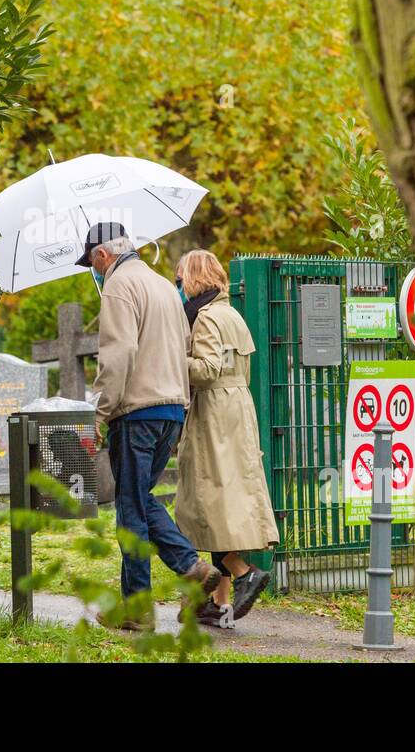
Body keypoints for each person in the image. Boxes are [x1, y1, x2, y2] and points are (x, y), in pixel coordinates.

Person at [79, 221, 221, 630]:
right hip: (171, 410)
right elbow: (183, 350)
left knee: (130, 510)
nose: (93, 269)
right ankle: (188, 568)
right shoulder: (162, 286)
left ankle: (143, 605)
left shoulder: (118, 286)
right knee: (138, 499)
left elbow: (119, 352)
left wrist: (100, 413)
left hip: (136, 411)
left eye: (92, 261)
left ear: (103, 255)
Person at [173, 248, 279, 626]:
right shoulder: (231, 313)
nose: (179, 283)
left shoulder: (203, 317)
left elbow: (205, 369)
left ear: (194, 277)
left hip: (213, 413)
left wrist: (171, 357)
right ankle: (216, 604)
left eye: (181, 275)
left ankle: (242, 572)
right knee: (224, 502)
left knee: (205, 502)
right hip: (237, 408)